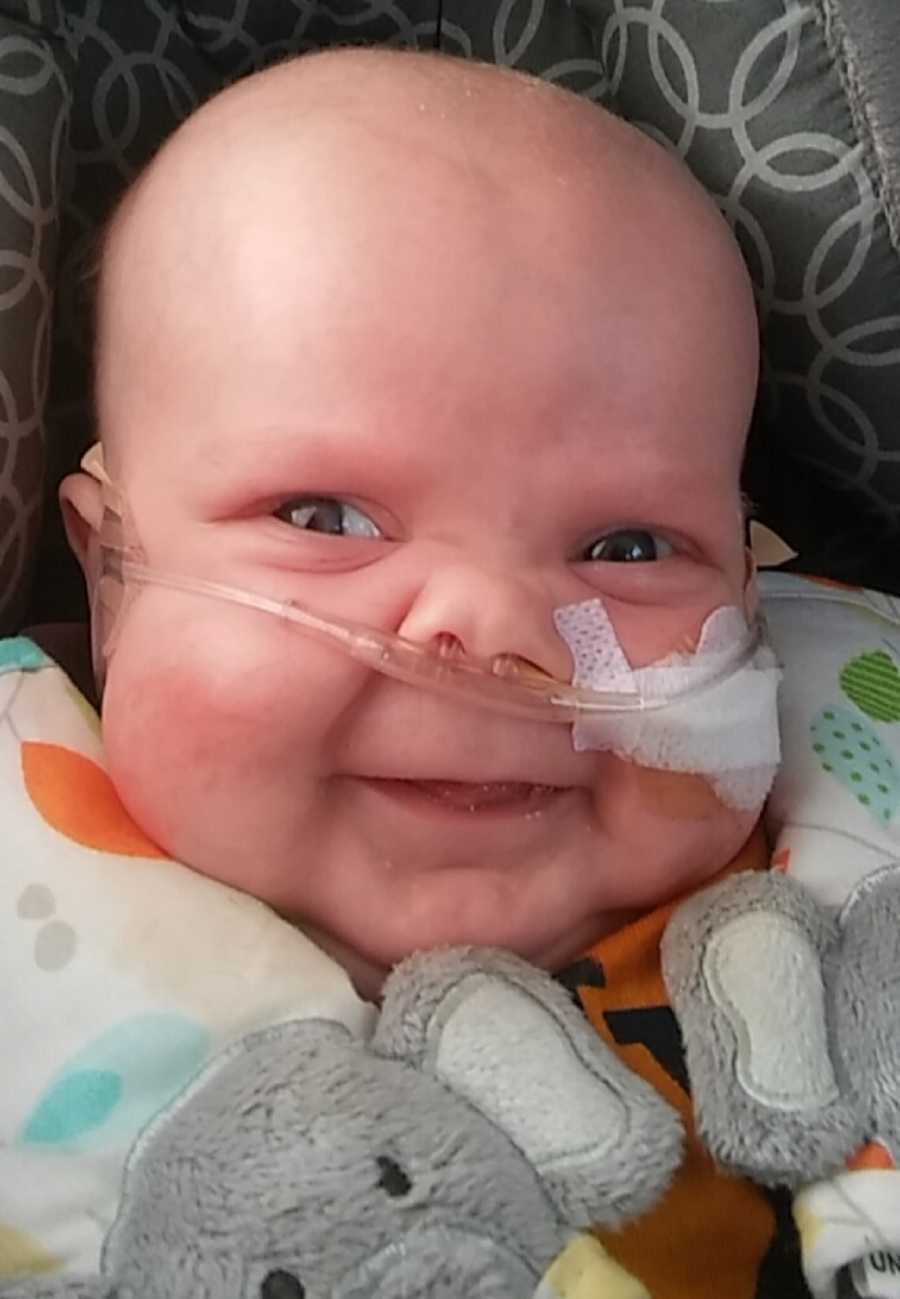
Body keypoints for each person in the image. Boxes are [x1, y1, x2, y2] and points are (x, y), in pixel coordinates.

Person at [16, 46, 796, 1297]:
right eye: (325, 518)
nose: (495, 632)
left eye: (629, 548)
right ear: (109, 577)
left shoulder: (836, 897)